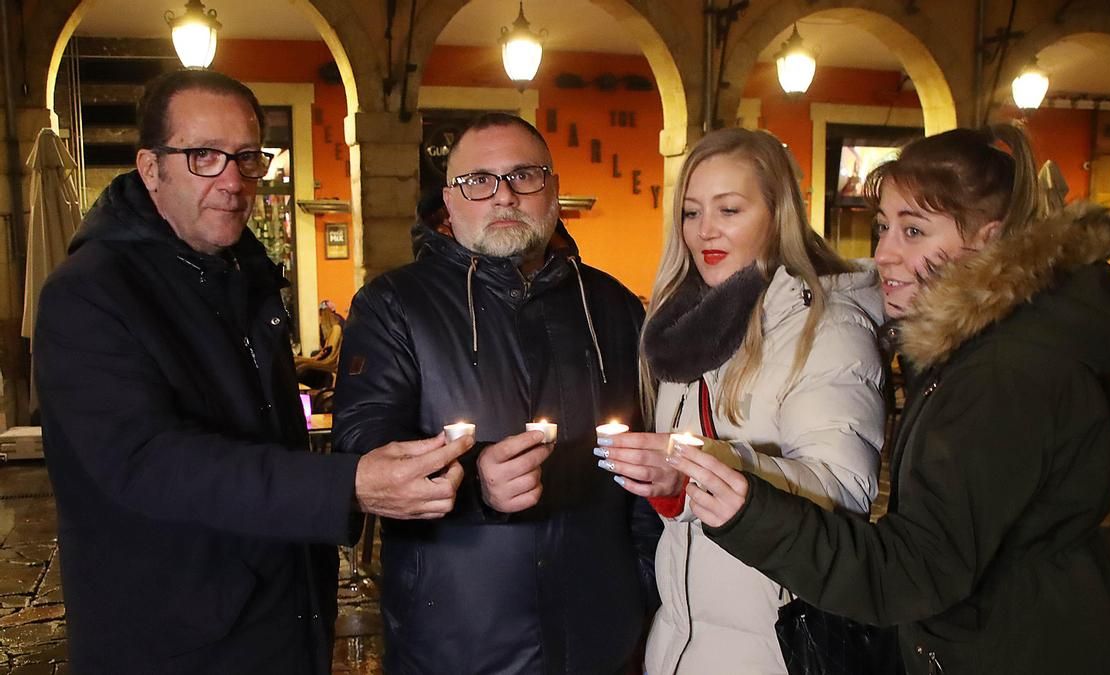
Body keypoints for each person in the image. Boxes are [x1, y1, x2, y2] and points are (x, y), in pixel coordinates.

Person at [35, 69, 473, 674]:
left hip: (278, 612)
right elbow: (144, 460)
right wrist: (344, 486)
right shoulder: (89, 294)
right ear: (149, 167)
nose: (232, 181)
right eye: (202, 157)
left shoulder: (240, 272)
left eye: (246, 157)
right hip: (174, 637)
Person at [664, 125, 1110, 674]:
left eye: (914, 231)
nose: (884, 255)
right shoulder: (976, 352)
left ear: (989, 241)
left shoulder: (1004, 371)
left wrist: (749, 510)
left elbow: (917, 570)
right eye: (883, 227)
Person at [333, 112, 662, 673]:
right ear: (450, 199)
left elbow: (648, 462)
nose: (503, 196)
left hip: (601, 636)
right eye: (479, 180)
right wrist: (474, 485)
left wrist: (642, 584)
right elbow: (362, 453)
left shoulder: (614, 307)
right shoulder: (395, 306)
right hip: (456, 636)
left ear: (554, 190)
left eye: (524, 176)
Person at [593, 128, 887, 674]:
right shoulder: (682, 334)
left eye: (729, 209)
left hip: (776, 648)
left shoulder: (827, 326)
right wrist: (672, 486)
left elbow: (845, 496)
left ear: (778, 215)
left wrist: (710, 465)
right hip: (680, 646)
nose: (705, 230)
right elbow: (686, 516)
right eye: (690, 212)